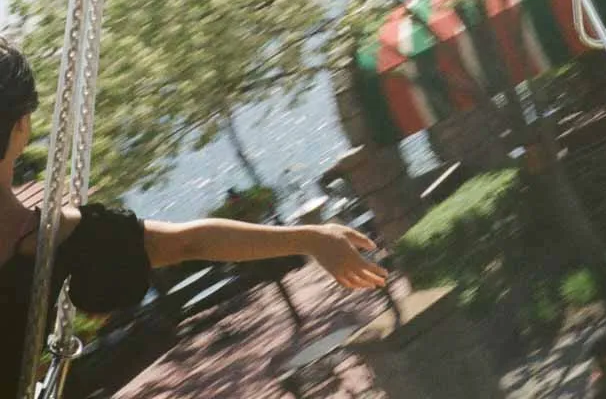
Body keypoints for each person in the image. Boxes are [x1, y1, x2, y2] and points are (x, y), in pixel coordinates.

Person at [0, 40, 387, 397]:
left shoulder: (48, 237)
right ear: (22, 126)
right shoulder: (50, 237)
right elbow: (189, 242)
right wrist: (311, 238)